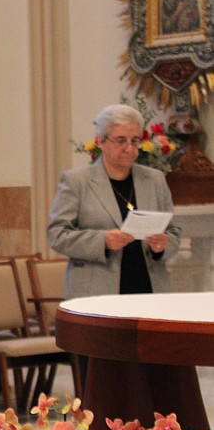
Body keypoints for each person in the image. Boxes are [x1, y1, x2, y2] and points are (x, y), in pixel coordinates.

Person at [47, 103, 181, 300]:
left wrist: (163, 245)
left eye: (135, 141)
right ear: (100, 141)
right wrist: (103, 241)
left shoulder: (155, 179)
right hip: (96, 291)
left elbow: (174, 232)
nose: (129, 148)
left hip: (150, 288)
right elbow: (57, 235)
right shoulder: (77, 182)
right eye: (121, 141)